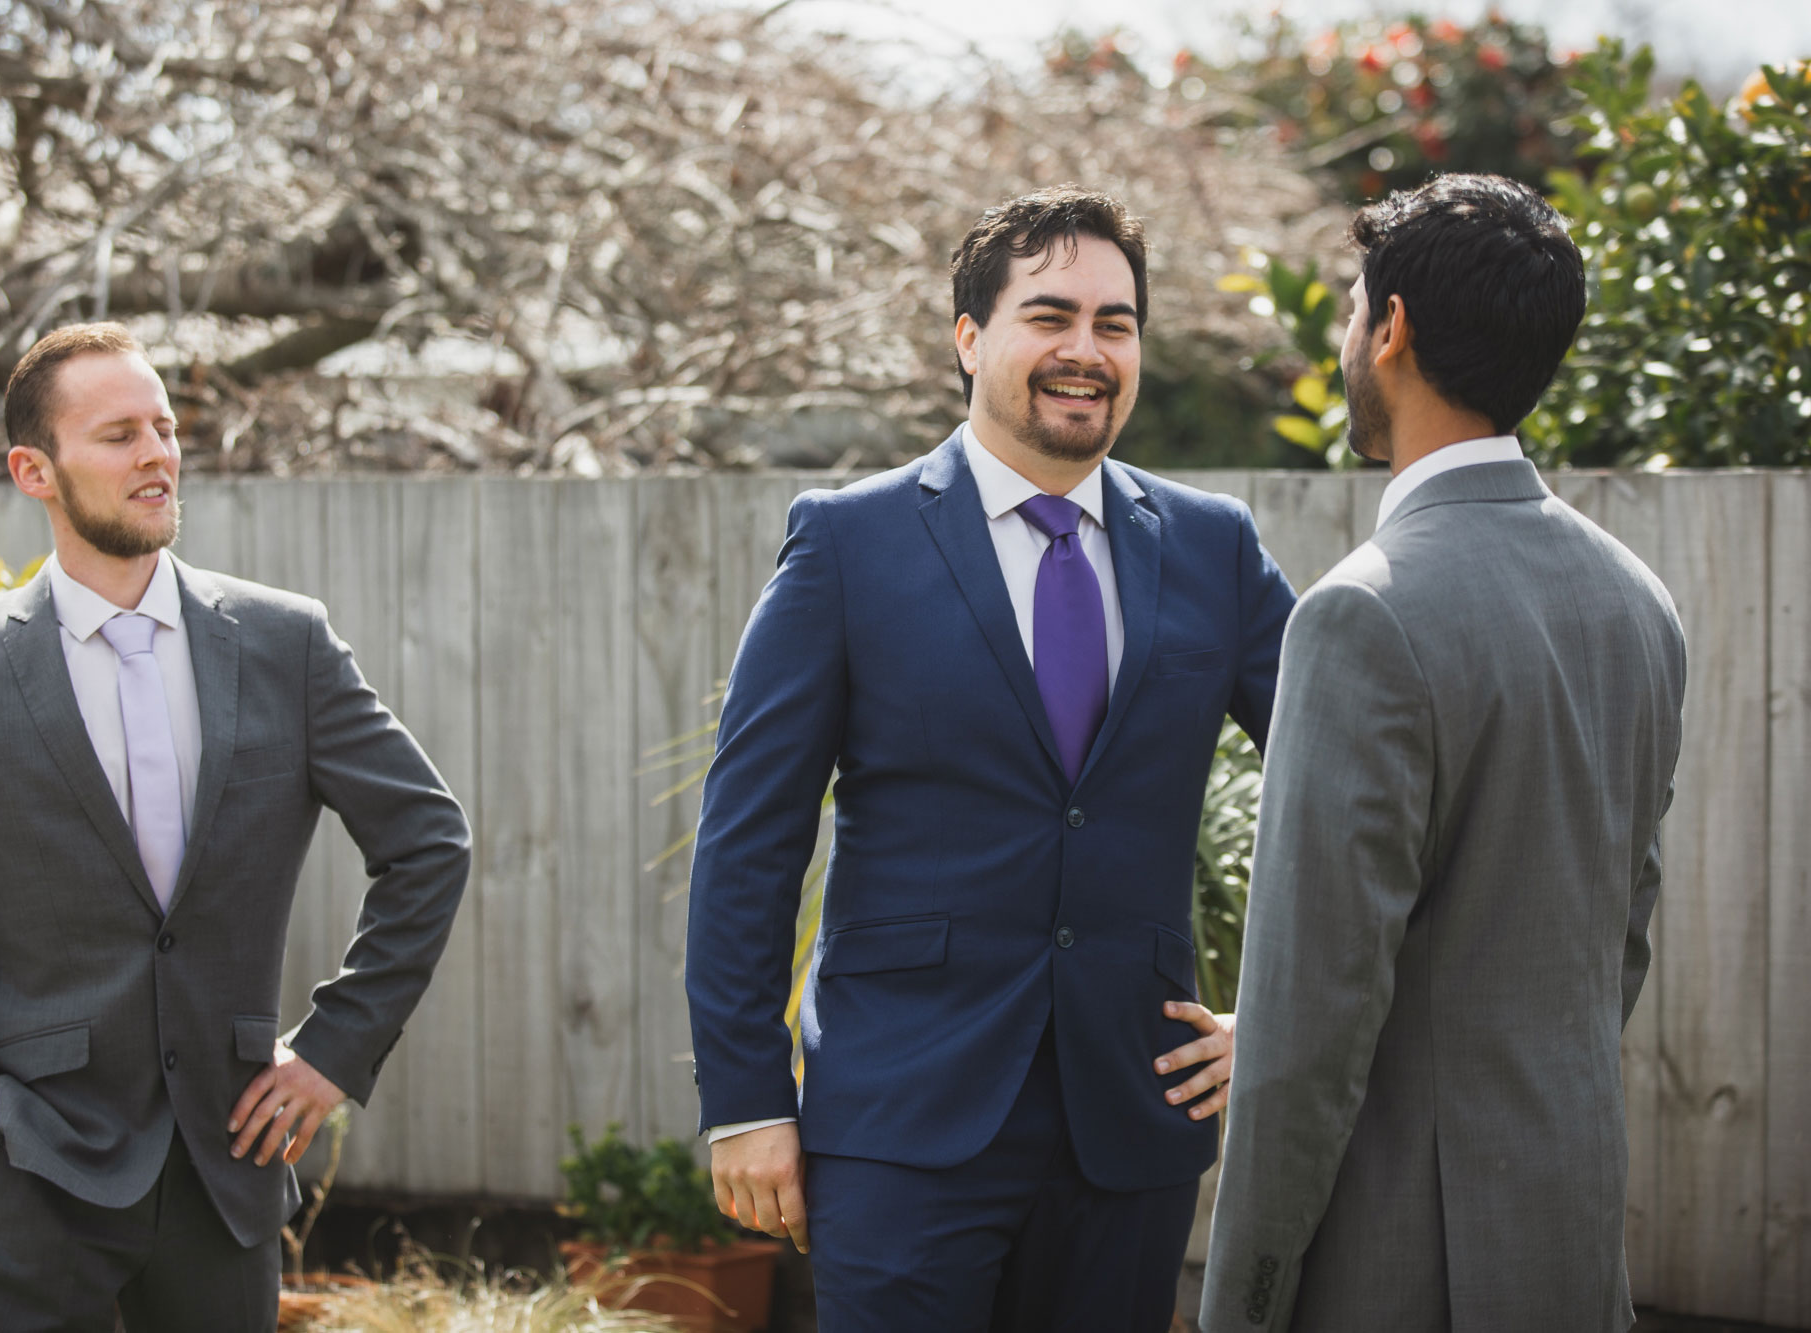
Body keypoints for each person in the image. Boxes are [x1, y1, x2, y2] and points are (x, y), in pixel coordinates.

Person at [685, 185, 1299, 1332]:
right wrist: (744, 1100)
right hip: (899, 1121)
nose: (1084, 350)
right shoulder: (847, 541)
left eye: (1114, 324)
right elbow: (749, 837)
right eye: (1049, 315)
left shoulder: (1214, 549)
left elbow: (1349, 783)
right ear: (969, 338)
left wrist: (1280, 1013)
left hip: (1131, 1124)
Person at [0, 323, 472, 1331]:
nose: (156, 454)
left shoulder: (283, 644)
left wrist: (335, 1047)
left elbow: (428, 842)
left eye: (164, 427)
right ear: (33, 470)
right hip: (35, 1179)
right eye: (118, 434)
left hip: (228, 1173)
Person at [1201, 175, 1686, 1332]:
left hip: (1398, 1266)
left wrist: (1238, 1306)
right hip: (1567, 1230)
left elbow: (1305, 1032)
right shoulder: (1639, 602)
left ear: (1393, 327)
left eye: (1351, 305)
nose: (1343, 333)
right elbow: (1620, 935)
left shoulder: (1359, 615)